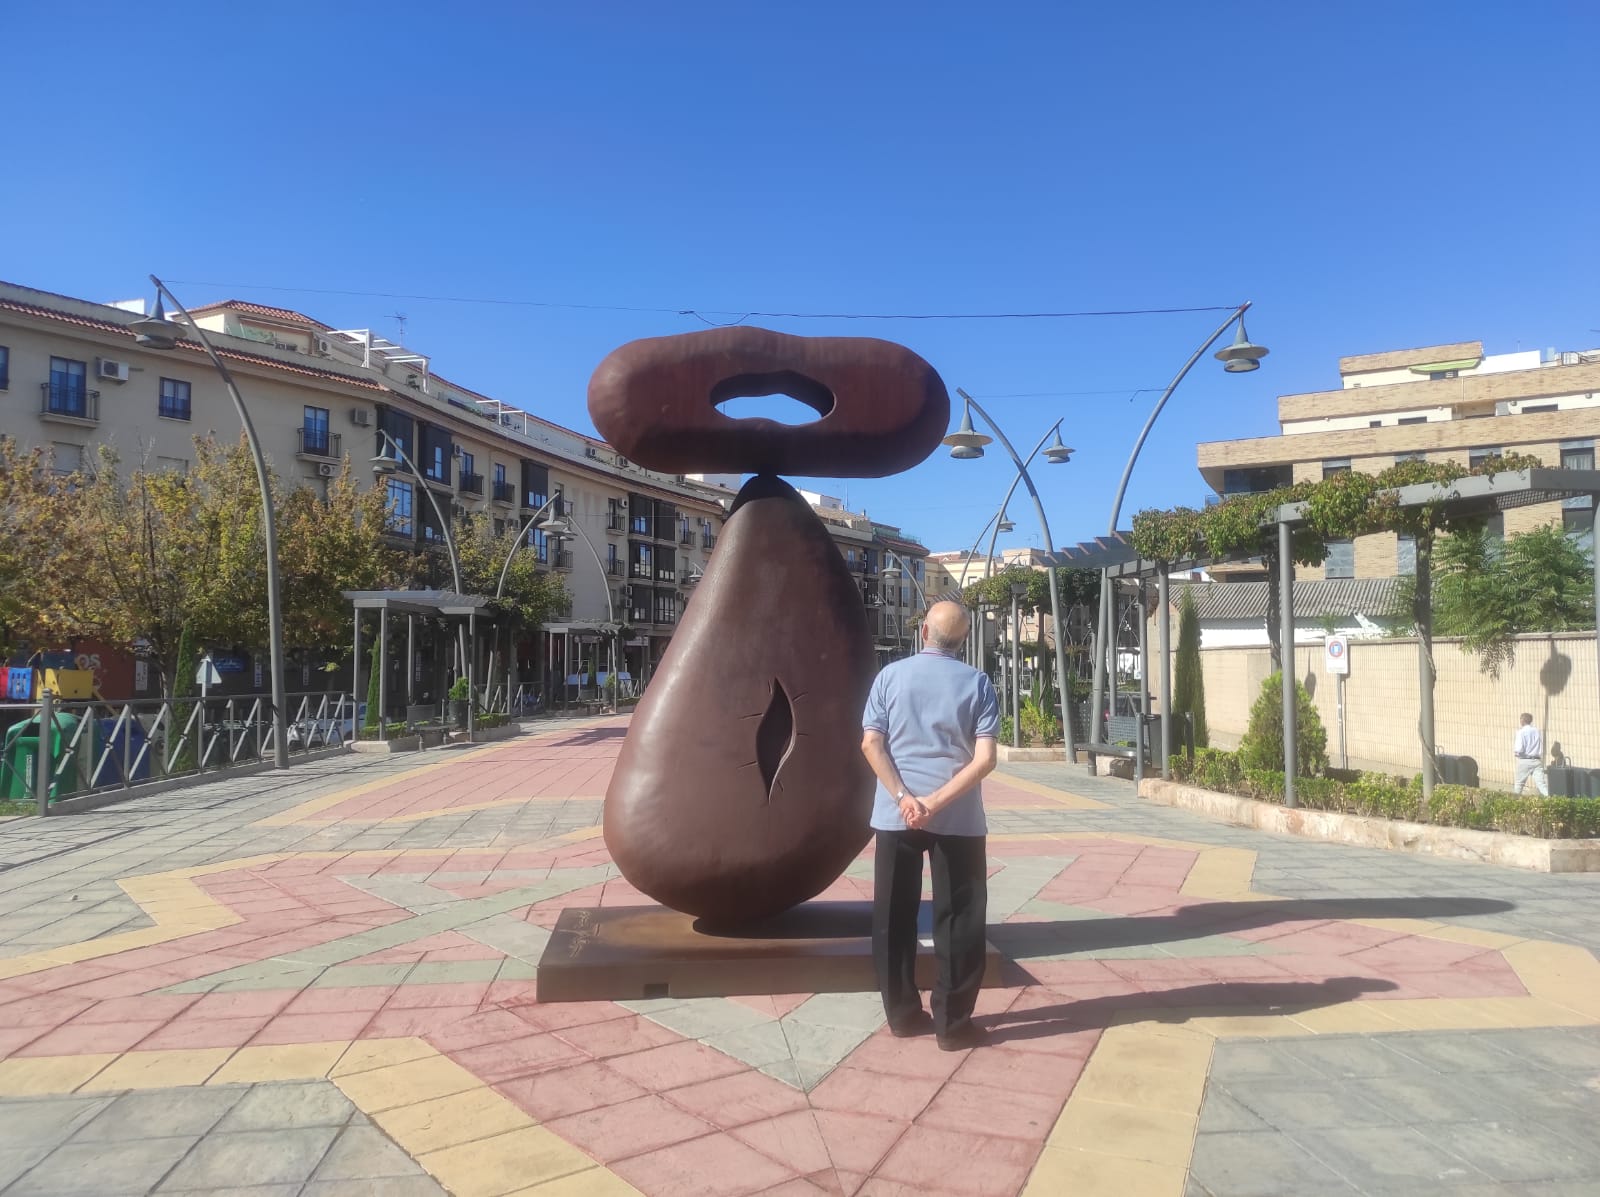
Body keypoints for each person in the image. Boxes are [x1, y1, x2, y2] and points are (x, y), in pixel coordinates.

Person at [860, 600, 999, 1051]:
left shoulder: (889, 677)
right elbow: (986, 759)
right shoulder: (978, 683)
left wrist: (905, 799)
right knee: (959, 919)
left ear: (923, 632)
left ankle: (901, 1014)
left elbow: (870, 744)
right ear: (962, 642)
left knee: (892, 917)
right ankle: (952, 1024)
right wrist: (935, 803)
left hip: (896, 815)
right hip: (956, 817)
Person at [1512, 712, 1548, 796]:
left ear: (1522, 720)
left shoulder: (1521, 732)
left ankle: (1514, 802)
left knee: (1519, 784)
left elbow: (1519, 749)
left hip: (1524, 760)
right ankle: (1550, 800)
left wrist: (1517, 753)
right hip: (1537, 760)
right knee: (1541, 784)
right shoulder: (1536, 731)